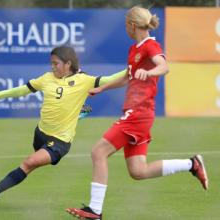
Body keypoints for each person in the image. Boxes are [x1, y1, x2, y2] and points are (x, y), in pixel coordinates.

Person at [66, 6, 208, 220]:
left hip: (138, 113)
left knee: (98, 152)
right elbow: (127, 76)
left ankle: (95, 210)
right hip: (138, 114)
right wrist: (102, 88)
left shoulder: (151, 46)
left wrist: (148, 71)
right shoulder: (134, 49)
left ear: (132, 25)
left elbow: (164, 66)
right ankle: (192, 164)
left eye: (126, 24)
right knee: (138, 171)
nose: (125, 28)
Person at [0, 45, 127, 203]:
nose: (52, 67)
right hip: (40, 133)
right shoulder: (46, 78)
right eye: (51, 63)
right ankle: (76, 114)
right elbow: (23, 90)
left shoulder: (85, 81)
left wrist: (133, 67)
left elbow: (111, 79)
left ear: (68, 64)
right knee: (33, 159)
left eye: (56, 63)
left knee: (29, 163)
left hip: (60, 141)